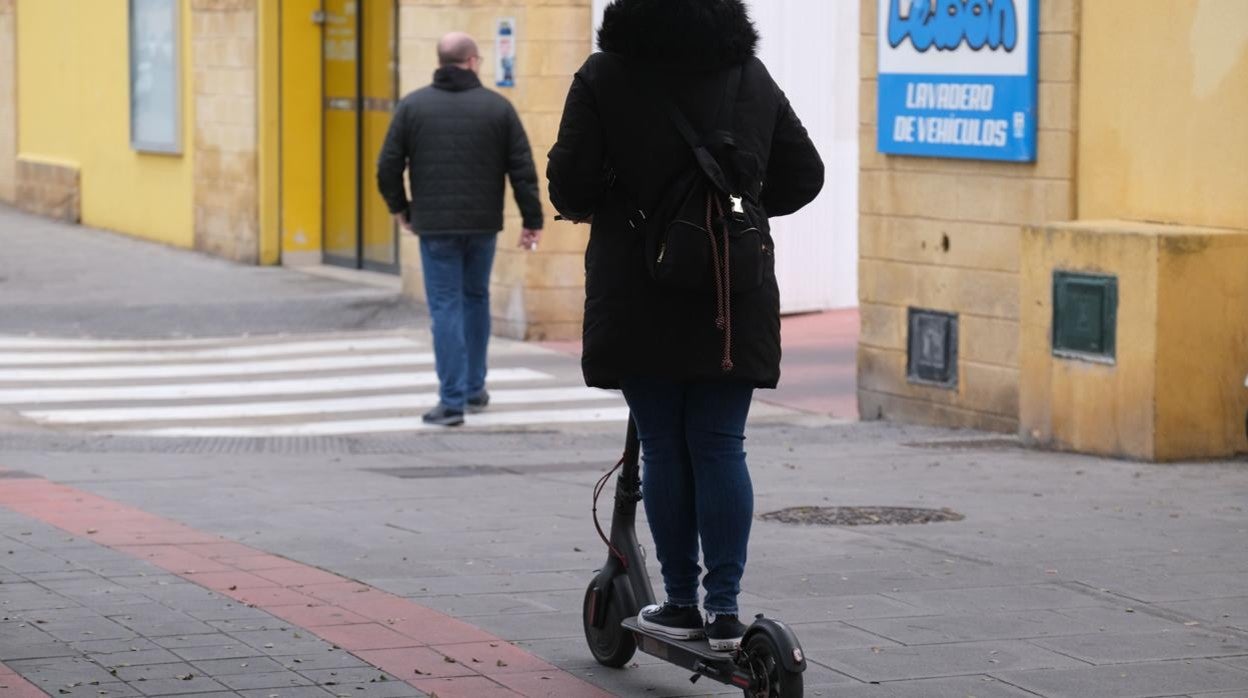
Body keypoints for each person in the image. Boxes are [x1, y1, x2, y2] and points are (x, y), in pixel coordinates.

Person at [546, 0, 824, 650]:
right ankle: (725, 612)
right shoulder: (747, 74)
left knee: (666, 446)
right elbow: (804, 175)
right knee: (721, 444)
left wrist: (625, 201)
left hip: (642, 288)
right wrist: (733, 206)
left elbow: (570, 185)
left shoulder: (605, 75)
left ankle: (679, 604)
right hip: (734, 290)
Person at [378, 32, 544, 427]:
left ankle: (451, 401)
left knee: (446, 306)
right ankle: (473, 388)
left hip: (434, 227)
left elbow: (387, 168)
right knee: (475, 299)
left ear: (442, 61)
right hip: (482, 224)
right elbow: (523, 171)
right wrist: (532, 221)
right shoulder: (498, 108)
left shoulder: (412, 107)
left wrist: (401, 209)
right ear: (471, 61)